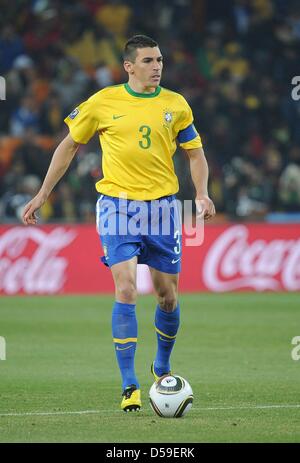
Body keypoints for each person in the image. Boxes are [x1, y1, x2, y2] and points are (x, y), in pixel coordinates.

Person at [22, 35, 216, 412]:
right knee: (126, 290)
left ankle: (161, 367)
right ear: (128, 66)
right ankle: (129, 385)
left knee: (167, 296)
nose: (157, 66)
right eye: (147, 61)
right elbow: (68, 145)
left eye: (159, 59)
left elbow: (196, 154)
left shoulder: (176, 105)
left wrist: (203, 193)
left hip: (162, 209)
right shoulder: (103, 101)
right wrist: (43, 193)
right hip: (117, 207)